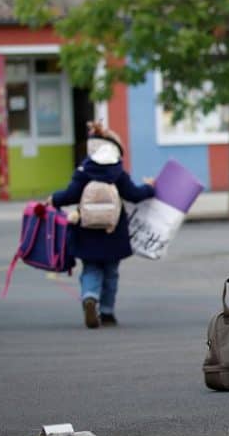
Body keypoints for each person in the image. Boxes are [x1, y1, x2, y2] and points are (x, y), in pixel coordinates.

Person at [49, 122, 155, 329]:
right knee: (111, 272)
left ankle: (90, 297)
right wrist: (150, 188)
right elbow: (134, 194)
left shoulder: (84, 171)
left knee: (90, 268)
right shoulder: (118, 173)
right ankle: (107, 312)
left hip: (86, 229)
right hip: (113, 231)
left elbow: (70, 195)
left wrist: (53, 199)